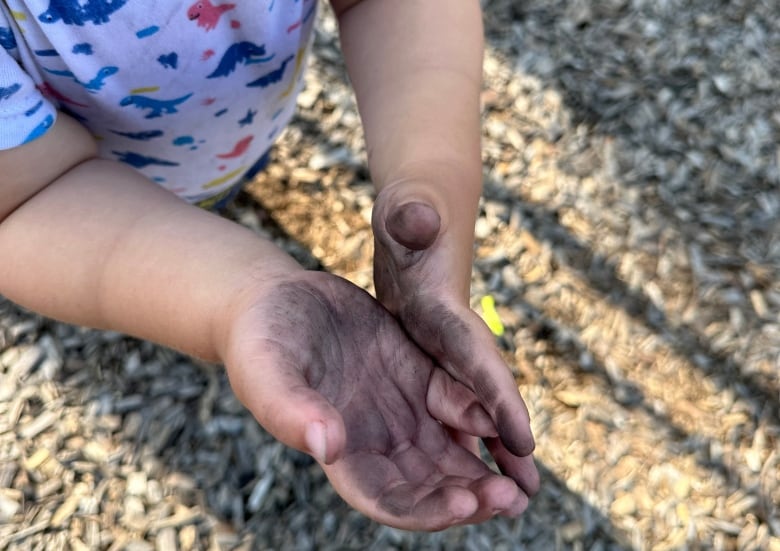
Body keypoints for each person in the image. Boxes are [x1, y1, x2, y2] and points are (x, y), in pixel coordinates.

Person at [0, 0, 539, 530]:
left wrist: (431, 178)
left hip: (227, 132)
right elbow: (32, 193)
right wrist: (232, 293)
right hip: (90, 195)